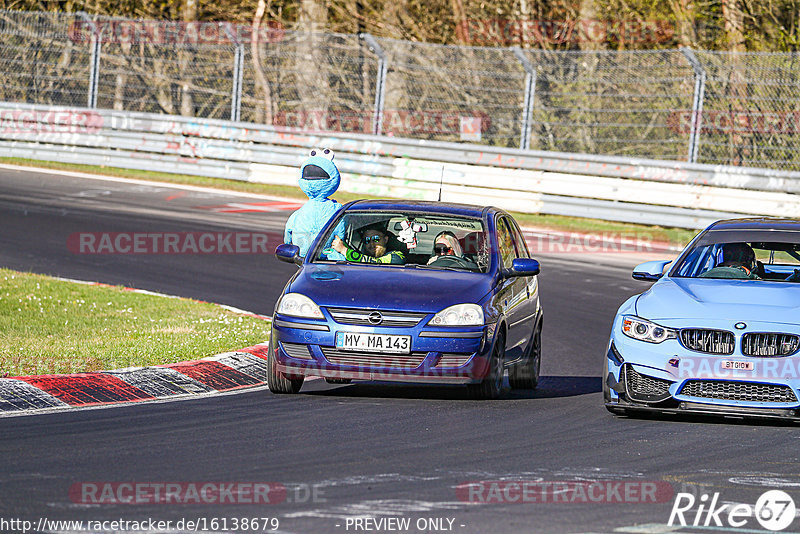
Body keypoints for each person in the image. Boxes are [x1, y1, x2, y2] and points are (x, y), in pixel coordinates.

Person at [283, 148, 345, 258]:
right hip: (328, 257)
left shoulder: (301, 212)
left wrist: (288, 246)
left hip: (303, 257)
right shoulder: (336, 209)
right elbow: (341, 233)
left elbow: (288, 232)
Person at [331, 222, 406, 264]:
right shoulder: (360, 255)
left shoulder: (397, 256)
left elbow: (377, 263)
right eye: (367, 241)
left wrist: (344, 250)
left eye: (376, 239)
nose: (372, 244)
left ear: (385, 240)